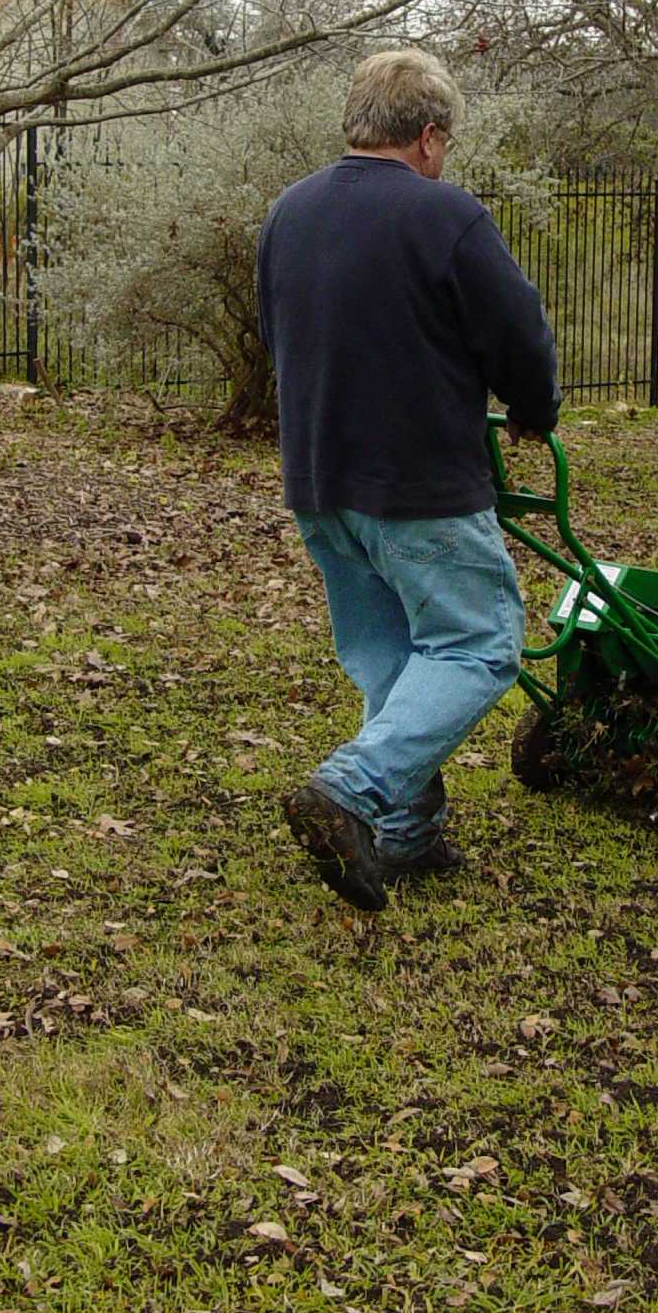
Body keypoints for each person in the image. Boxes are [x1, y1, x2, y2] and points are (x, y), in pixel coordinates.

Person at [256, 47, 561, 912]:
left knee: (390, 652)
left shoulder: (290, 211)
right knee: (476, 643)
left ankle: (406, 833)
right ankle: (352, 787)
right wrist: (536, 407)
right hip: (418, 480)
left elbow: (280, 336)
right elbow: (518, 336)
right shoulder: (447, 216)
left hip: (318, 473)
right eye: (446, 142)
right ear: (429, 137)